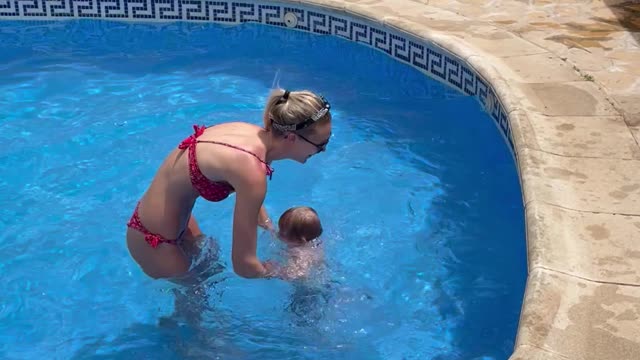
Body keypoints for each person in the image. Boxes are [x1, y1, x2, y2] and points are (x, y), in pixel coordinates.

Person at [125, 89, 332, 280]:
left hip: (169, 221)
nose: (322, 151)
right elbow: (245, 266)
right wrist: (293, 274)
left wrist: (269, 230)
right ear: (291, 137)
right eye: (321, 145)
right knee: (194, 316)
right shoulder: (252, 170)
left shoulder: (254, 136)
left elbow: (246, 190)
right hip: (155, 241)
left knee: (212, 271)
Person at [273, 206, 325, 280]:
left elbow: (299, 274)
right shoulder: (313, 242)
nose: (278, 233)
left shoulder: (300, 254)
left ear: (300, 240)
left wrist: (275, 272)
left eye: (282, 233)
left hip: (308, 288)